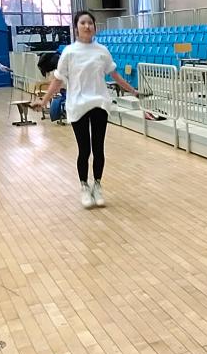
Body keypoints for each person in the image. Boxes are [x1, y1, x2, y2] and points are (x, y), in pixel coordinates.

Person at [35, 11, 138, 208]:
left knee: (98, 148)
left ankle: (97, 185)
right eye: (82, 23)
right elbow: (57, 80)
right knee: (84, 149)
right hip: (77, 104)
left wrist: (133, 91)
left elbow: (114, 75)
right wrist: (44, 100)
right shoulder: (69, 52)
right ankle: (84, 186)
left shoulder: (102, 50)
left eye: (90, 23)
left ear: (94, 27)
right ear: (76, 28)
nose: (87, 26)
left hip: (99, 103)